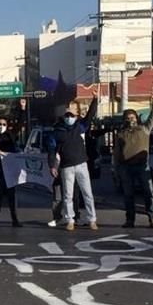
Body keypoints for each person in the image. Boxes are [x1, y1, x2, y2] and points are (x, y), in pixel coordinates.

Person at [49, 98, 99, 231]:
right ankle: (69, 219)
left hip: (82, 164)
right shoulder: (57, 132)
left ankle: (92, 219)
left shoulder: (80, 127)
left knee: (87, 193)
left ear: (76, 116)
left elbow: (90, 116)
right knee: (67, 195)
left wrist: (94, 100)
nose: (69, 118)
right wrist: (52, 166)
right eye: (67, 115)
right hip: (66, 167)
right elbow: (52, 150)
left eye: (71, 115)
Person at [113, 93, 153, 228]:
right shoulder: (121, 134)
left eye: (132, 117)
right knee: (128, 195)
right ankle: (130, 220)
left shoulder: (144, 129)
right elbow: (116, 153)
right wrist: (117, 170)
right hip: (125, 168)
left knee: (148, 192)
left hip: (142, 166)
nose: (130, 120)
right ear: (124, 120)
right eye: (127, 118)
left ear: (137, 118)